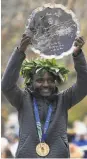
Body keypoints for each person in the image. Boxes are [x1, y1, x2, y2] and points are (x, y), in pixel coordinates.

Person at [1, 33, 87, 158]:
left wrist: (77, 55)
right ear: (31, 82)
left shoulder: (64, 99)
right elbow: (6, 85)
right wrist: (20, 52)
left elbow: (84, 84)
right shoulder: (22, 99)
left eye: (50, 80)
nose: (46, 84)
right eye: (40, 80)